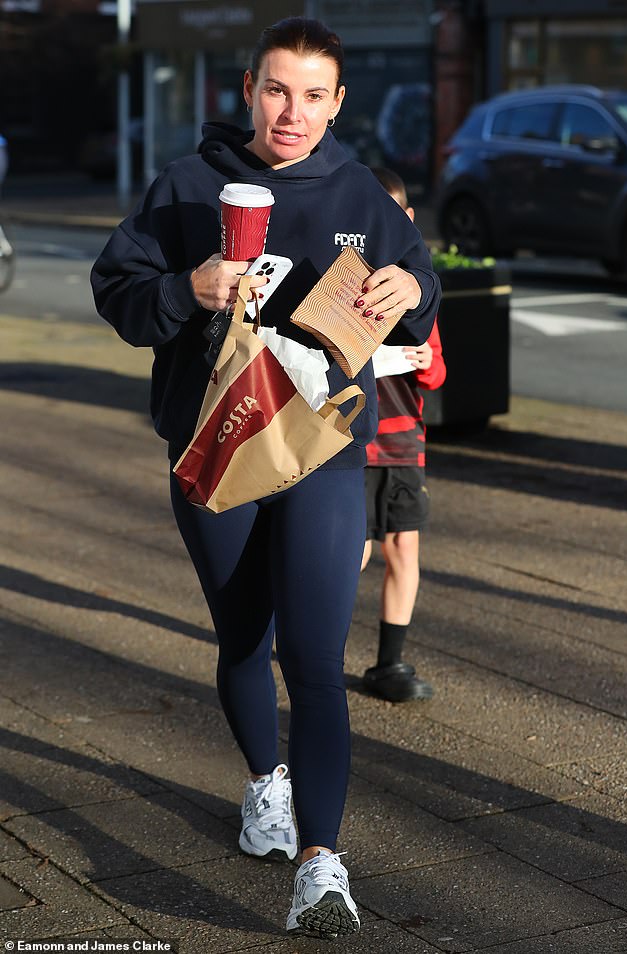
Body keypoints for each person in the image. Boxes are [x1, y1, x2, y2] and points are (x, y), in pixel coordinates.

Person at [91, 17, 441, 939]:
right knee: (245, 637)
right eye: (278, 90)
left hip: (321, 454)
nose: (294, 112)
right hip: (215, 452)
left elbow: (415, 291)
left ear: (337, 104)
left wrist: (413, 292)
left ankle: (323, 865)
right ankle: (264, 787)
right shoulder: (185, 186)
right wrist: (185, 290)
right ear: (248, 89)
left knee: (315, 659)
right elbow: (118, 294)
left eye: (314, 95)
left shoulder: (361, 191)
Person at [361, 167, 446, 703]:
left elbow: (437, 374)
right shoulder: (348, 287)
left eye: (397, 221)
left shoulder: (417, 294)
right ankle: (315, 647)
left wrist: (424, 358)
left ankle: (390, 663)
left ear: (409, 223)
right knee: (352, 553)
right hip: (355, 444)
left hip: (404, 446)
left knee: (404, 550)